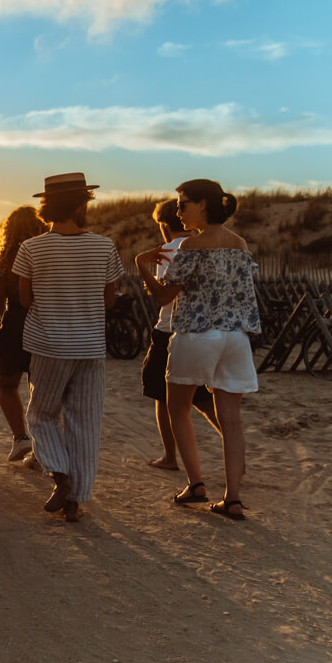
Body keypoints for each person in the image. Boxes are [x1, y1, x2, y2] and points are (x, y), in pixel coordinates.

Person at [136, 179, 260, 520]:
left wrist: (141, 265)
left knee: (178, 407)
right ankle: (232, 498)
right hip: (235, 339)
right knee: (231, 420)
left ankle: (196, 485)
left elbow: (164, 297)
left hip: (196, 334)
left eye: (183, 204)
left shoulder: (192, 246)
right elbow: (246, 298)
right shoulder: (240, 244)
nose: (178, 211)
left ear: (203, 205)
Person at [13, 173, 122, 523]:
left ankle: (59, 473)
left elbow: (24, 297)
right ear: (79, 205)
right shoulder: (104, 246)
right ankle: (76, 500)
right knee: (84, 420)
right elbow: (109, 300)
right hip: (89, 345)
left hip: (48, 344)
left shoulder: (32, 247)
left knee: (41, 414)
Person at [140, 199, 219, 470]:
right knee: (204, 399)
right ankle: (233, 446)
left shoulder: (168, 250)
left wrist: (143, 270)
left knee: (164, 397)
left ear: (164, 225)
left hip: (170, 330)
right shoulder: (207, 246)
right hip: (204, 330)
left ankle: (171, 457)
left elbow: (164, 296)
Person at [0, 205, 48, 466]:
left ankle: (20, 437)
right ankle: (41, 447)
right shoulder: (48, 252)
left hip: (15, 323)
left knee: (6, 384)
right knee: (39, 388)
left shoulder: (6, 258)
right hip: (46, 322)